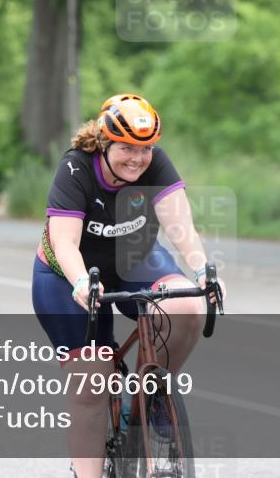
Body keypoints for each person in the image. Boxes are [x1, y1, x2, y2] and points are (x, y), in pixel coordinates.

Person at [31, 94, 225, 478]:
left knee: (185, 306)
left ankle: (150, 396)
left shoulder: (156, 164)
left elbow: (179, 226)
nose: (137, 158)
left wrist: (203, 271)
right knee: (92, 384)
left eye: (146, 149)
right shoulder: (76, 169)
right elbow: (65, 242)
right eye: (126, 149)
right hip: (67, 275)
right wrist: (82, 282)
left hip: (133, 260)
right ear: (104, 142)